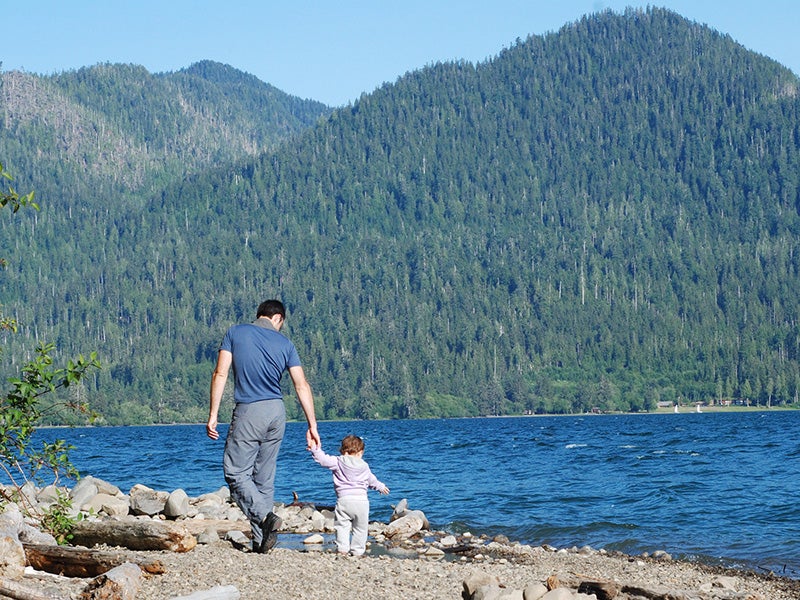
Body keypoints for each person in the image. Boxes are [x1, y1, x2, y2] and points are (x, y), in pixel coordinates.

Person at [206, 299, 320, 553]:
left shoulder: (235, 332)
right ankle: (261, 542)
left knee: (235, 472)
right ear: (278, 318)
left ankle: (265, 518)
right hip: (277, 412)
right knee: (263, 478)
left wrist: (213, 414)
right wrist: (312, 425)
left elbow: (220, 373)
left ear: (260, 315)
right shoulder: (286, 343)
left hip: (250, 409)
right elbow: (302, 385)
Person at [309, 434, 389, 556]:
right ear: (360, 452)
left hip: (344, 500)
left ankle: (342, 549)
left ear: (343, 451)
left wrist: (314, 448)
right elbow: (371, 480)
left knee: (342, 526)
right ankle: (357, 551)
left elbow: (322, 459)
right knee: (361, 528)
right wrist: (381, 487)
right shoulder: (364, 465)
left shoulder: (338, 461)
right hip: (362, 502)